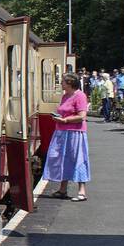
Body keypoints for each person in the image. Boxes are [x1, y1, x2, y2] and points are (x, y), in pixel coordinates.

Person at [44, 73, 90, 201]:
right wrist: (59, 119)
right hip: (62, 132)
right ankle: (62, 189)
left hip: (75, 132)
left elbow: (82, 116)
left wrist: (65, 120)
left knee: (78, 159)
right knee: (62, 159)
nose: (61, 84)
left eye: (63, 81)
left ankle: (82, 191)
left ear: (69, 83)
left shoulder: (80, 96)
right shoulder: (65, 96)